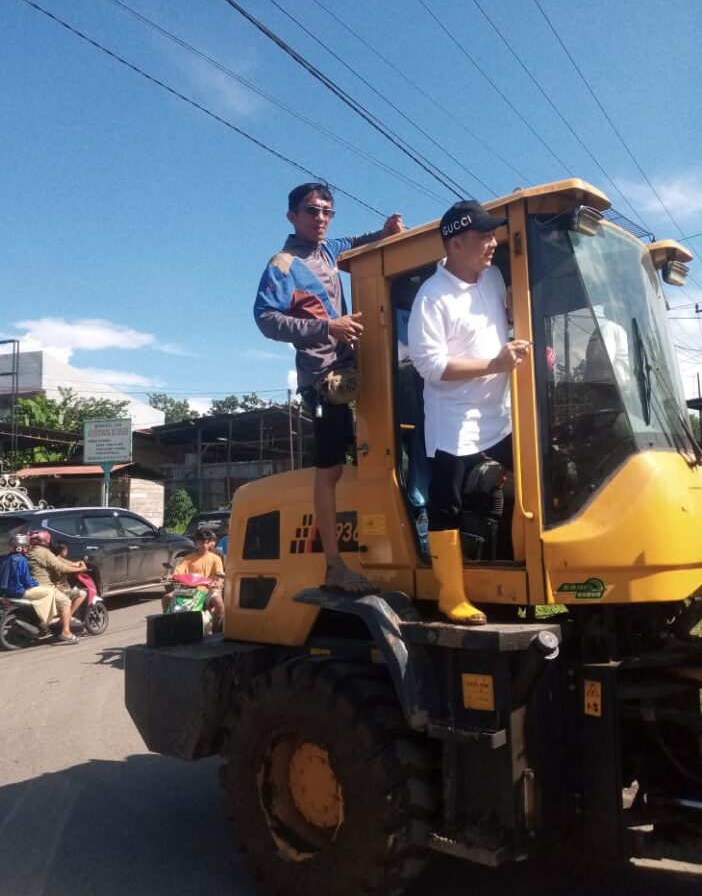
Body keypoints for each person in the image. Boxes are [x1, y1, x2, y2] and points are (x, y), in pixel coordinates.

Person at [254, 180, 404, 593]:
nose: (320, 218)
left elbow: (356, 241)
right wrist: (327, 326)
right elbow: (265, 318)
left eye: (326, 211)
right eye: (311, 211)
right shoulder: (283, 264)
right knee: (330, 468)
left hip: (351, 369)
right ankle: (334, 565)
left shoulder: (327, 250)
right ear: (292, 216)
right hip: (322, 379)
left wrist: (385, 231)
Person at [408, 200, 530, 625]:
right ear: (457, 244)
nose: (493, 243)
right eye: (484, 236)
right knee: (448, 507)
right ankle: (451, 594)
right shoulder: (432, 298)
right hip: (454, 423)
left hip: (501, 412)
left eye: (494, 234)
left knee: (538, 477)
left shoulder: (493, 277)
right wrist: (495, 364)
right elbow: (431, 366)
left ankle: (527, 565)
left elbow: (504, 319)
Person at [27, 530, 87, 644]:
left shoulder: (30, 552)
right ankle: (65, 631)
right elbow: (61, 568)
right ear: (46, 541)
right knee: (65, 602)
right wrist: (79, 569)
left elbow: (61, 564)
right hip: (45, 586)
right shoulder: (44, 553)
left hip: (32, 585)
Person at [0, 533, 60, 629]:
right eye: (26, 547)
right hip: (18, 591)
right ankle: (46, 620)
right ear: (21, 548)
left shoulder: (4, 559)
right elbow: (26, 582)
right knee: (49, 592)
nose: (27, 549)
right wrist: (35, 583)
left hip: (4, 590)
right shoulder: (22, 560)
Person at [163, 529, 225, 621]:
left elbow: (219, 574)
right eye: (201, 542)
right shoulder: (187, 559)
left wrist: (218, 583)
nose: (204, 545)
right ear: (196, 542)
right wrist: (171, 576)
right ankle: (168, 623)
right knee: (166, 598)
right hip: (188, 591)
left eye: (206, 542)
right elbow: (178, 571)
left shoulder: (216, 559)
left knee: (219, 603)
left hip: (208, 590)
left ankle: (215, 629)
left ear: (210, 543)